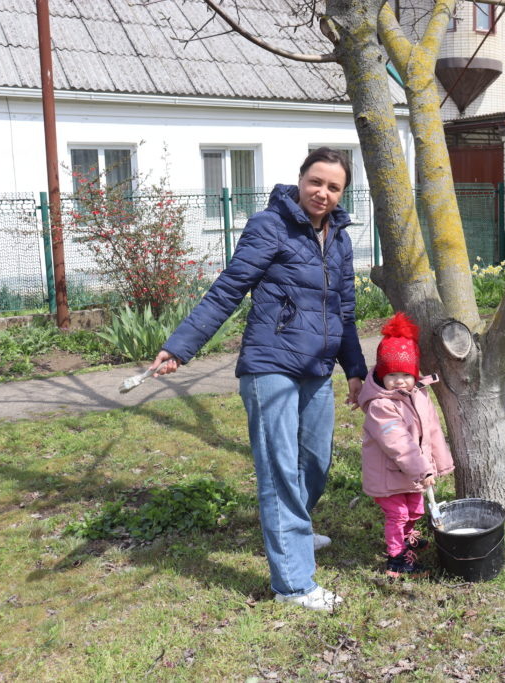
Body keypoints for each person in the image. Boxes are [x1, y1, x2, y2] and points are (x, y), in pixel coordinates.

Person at [148, 147, 367, 610]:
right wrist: (181, 346)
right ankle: (293, 584)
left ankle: (295, 532)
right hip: (270, 364)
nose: (322, 193)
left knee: (315, 463)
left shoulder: (341, 238)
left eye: (333, 187)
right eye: (316, 182)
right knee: (280, 470)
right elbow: (227, 288)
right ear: (301, 180)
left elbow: (344, 311)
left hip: (316, 367)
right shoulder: (271, 226)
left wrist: (355, 369)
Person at [357, 312, 454, 578]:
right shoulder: (381, 406)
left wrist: (439, 464)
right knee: (398, 514)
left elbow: (432, 429)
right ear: (380, 374)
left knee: (415, 509)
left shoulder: (418, 393)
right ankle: (397, 557)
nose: (399, 380)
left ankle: (408, 536)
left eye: (405, 374)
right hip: (389, 477)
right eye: (391, 375)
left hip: (413, 472)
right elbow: (397, 442)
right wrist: (420, 469)